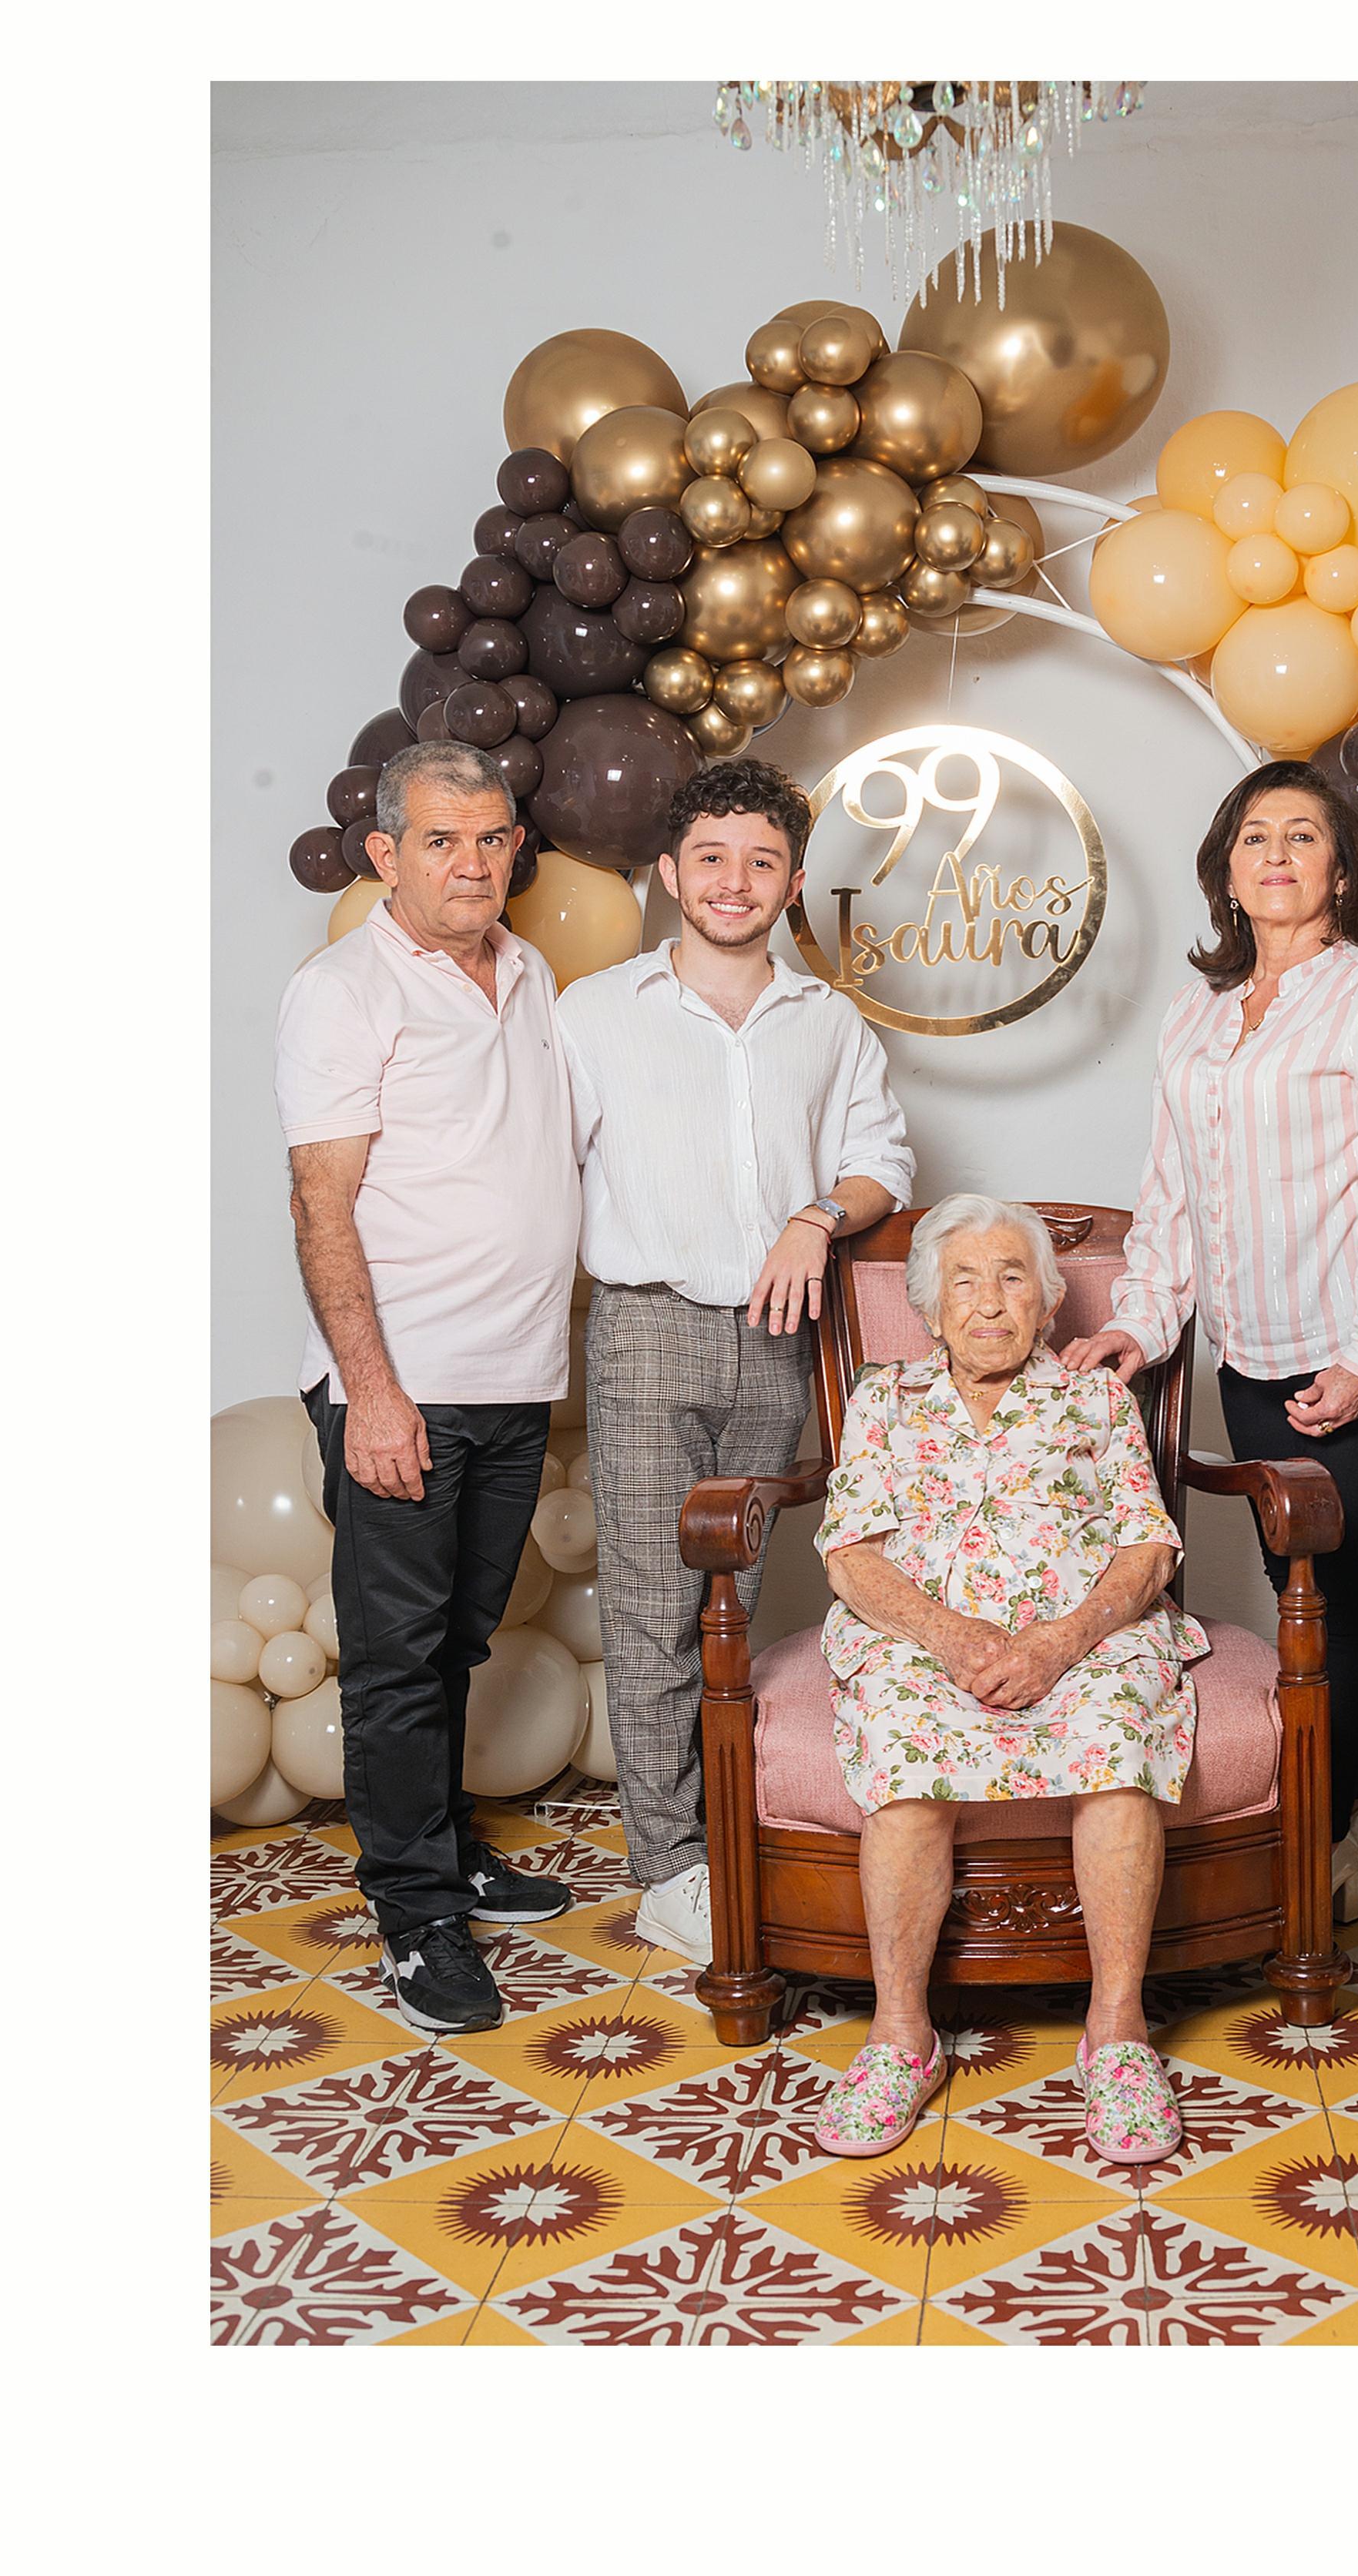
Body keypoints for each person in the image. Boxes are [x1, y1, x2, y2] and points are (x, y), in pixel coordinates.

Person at [1064, 759, 1358, 1920]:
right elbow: (1170, 1189)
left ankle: (1331, 1826)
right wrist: (1138, 1320)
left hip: (1342, 1340)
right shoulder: (1199, 1012)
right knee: (1294, 1581)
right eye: (1254, 836)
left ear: (1343, 869)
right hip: (1246, 1347)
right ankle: (1333, 1805)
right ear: (1226, 870)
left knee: (1334, 1580)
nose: (1276, 854)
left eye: (1302, 836)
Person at [556, 757, 914, 1965]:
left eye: (761, 860)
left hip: (776, 1331)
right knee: (653, 1607)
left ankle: (723, 1838)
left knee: (733, 1605)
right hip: (646, 1326)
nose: (733, 879)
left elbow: (882, 1160)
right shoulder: (592, 1013)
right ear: (669, 872)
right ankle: (669, 1870)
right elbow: (536, 1167)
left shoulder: (828, 1020)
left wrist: (816, 1216)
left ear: (792, 883)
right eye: (710, 856)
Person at [277, 740, 582, 2037]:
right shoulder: (342, 989)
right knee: (398, 1661)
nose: (473, 862)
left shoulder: (531, 970)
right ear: (385, 854)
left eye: (492, 836)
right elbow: (320, 1200)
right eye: (441, 839)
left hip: (513, 1378)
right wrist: (373, 1392)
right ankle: (415, 1918)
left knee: (459, 1637)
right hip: (403, 1385)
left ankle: (446, 1850)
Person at [810, 1196, 1203, 2165]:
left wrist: (1059, 1644)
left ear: (1050, 1301)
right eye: (965, 1282)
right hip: (922, 1634)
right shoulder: (884, 1398)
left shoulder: (1096, 1400)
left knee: (1116, 1740)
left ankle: (1118, 2034)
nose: (989, 1303)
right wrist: (947, 1636)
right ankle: (902, 2037)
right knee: (903, 1746)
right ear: (929, 1308)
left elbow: (1148, 1549)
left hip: (1084, 1632)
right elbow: (849, 1553)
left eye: (1013, 1278)